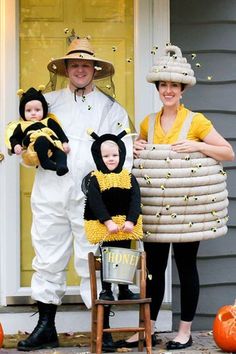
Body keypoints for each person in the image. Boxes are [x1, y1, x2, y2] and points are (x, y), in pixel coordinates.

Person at [17, 37, 133, 352]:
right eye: (74, 64)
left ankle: (102, 329)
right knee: (48, 258)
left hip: (91, 199)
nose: (80, 69)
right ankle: (45, 327)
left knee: (92, 259)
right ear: (66, 68)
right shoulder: (47, 103)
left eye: (85, 64)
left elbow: (125, 153)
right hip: (50, 193)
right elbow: (26, 137)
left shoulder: (112, 109)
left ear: (95, 69)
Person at [115, 44, 235, 350]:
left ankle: (184, 331)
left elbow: (227, 152)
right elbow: (136, 157)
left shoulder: (196, 122)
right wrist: (136, 146)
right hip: (155, 208)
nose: (169, 91)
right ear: (158, 88)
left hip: (186, 211)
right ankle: (149, 329)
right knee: (154, 268)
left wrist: (199, 146)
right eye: (164, 85)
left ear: (182, 89)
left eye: (174, 86)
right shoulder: (147, 122)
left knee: (185, 266)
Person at [83, 130, 142, 352]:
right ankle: (108, 288)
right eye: (106, 156)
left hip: (125, 228)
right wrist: (107, 222)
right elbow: (96, 202)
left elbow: (135, 200)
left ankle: (124, 288)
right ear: (99, 157)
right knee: (109, 258)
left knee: (125, 256)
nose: (111, 160)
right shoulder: (95, 179)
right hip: (107, 230)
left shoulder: (128, 177)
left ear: (121, 155)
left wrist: (131, 220)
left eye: (115, 155)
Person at [9, 87, 70, 176]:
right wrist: (16, 145)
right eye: (28, 110)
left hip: (51, 143)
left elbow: (59, 132)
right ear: (23, 112)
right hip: (33, 143)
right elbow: (14, 138)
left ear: (43, 110)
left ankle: (61, 166)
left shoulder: (48, 121)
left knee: (60, 152)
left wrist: (64, 142)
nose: (33, 113)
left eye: (37, 110)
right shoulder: (22, 125)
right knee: (42, 139)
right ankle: (45, 162)